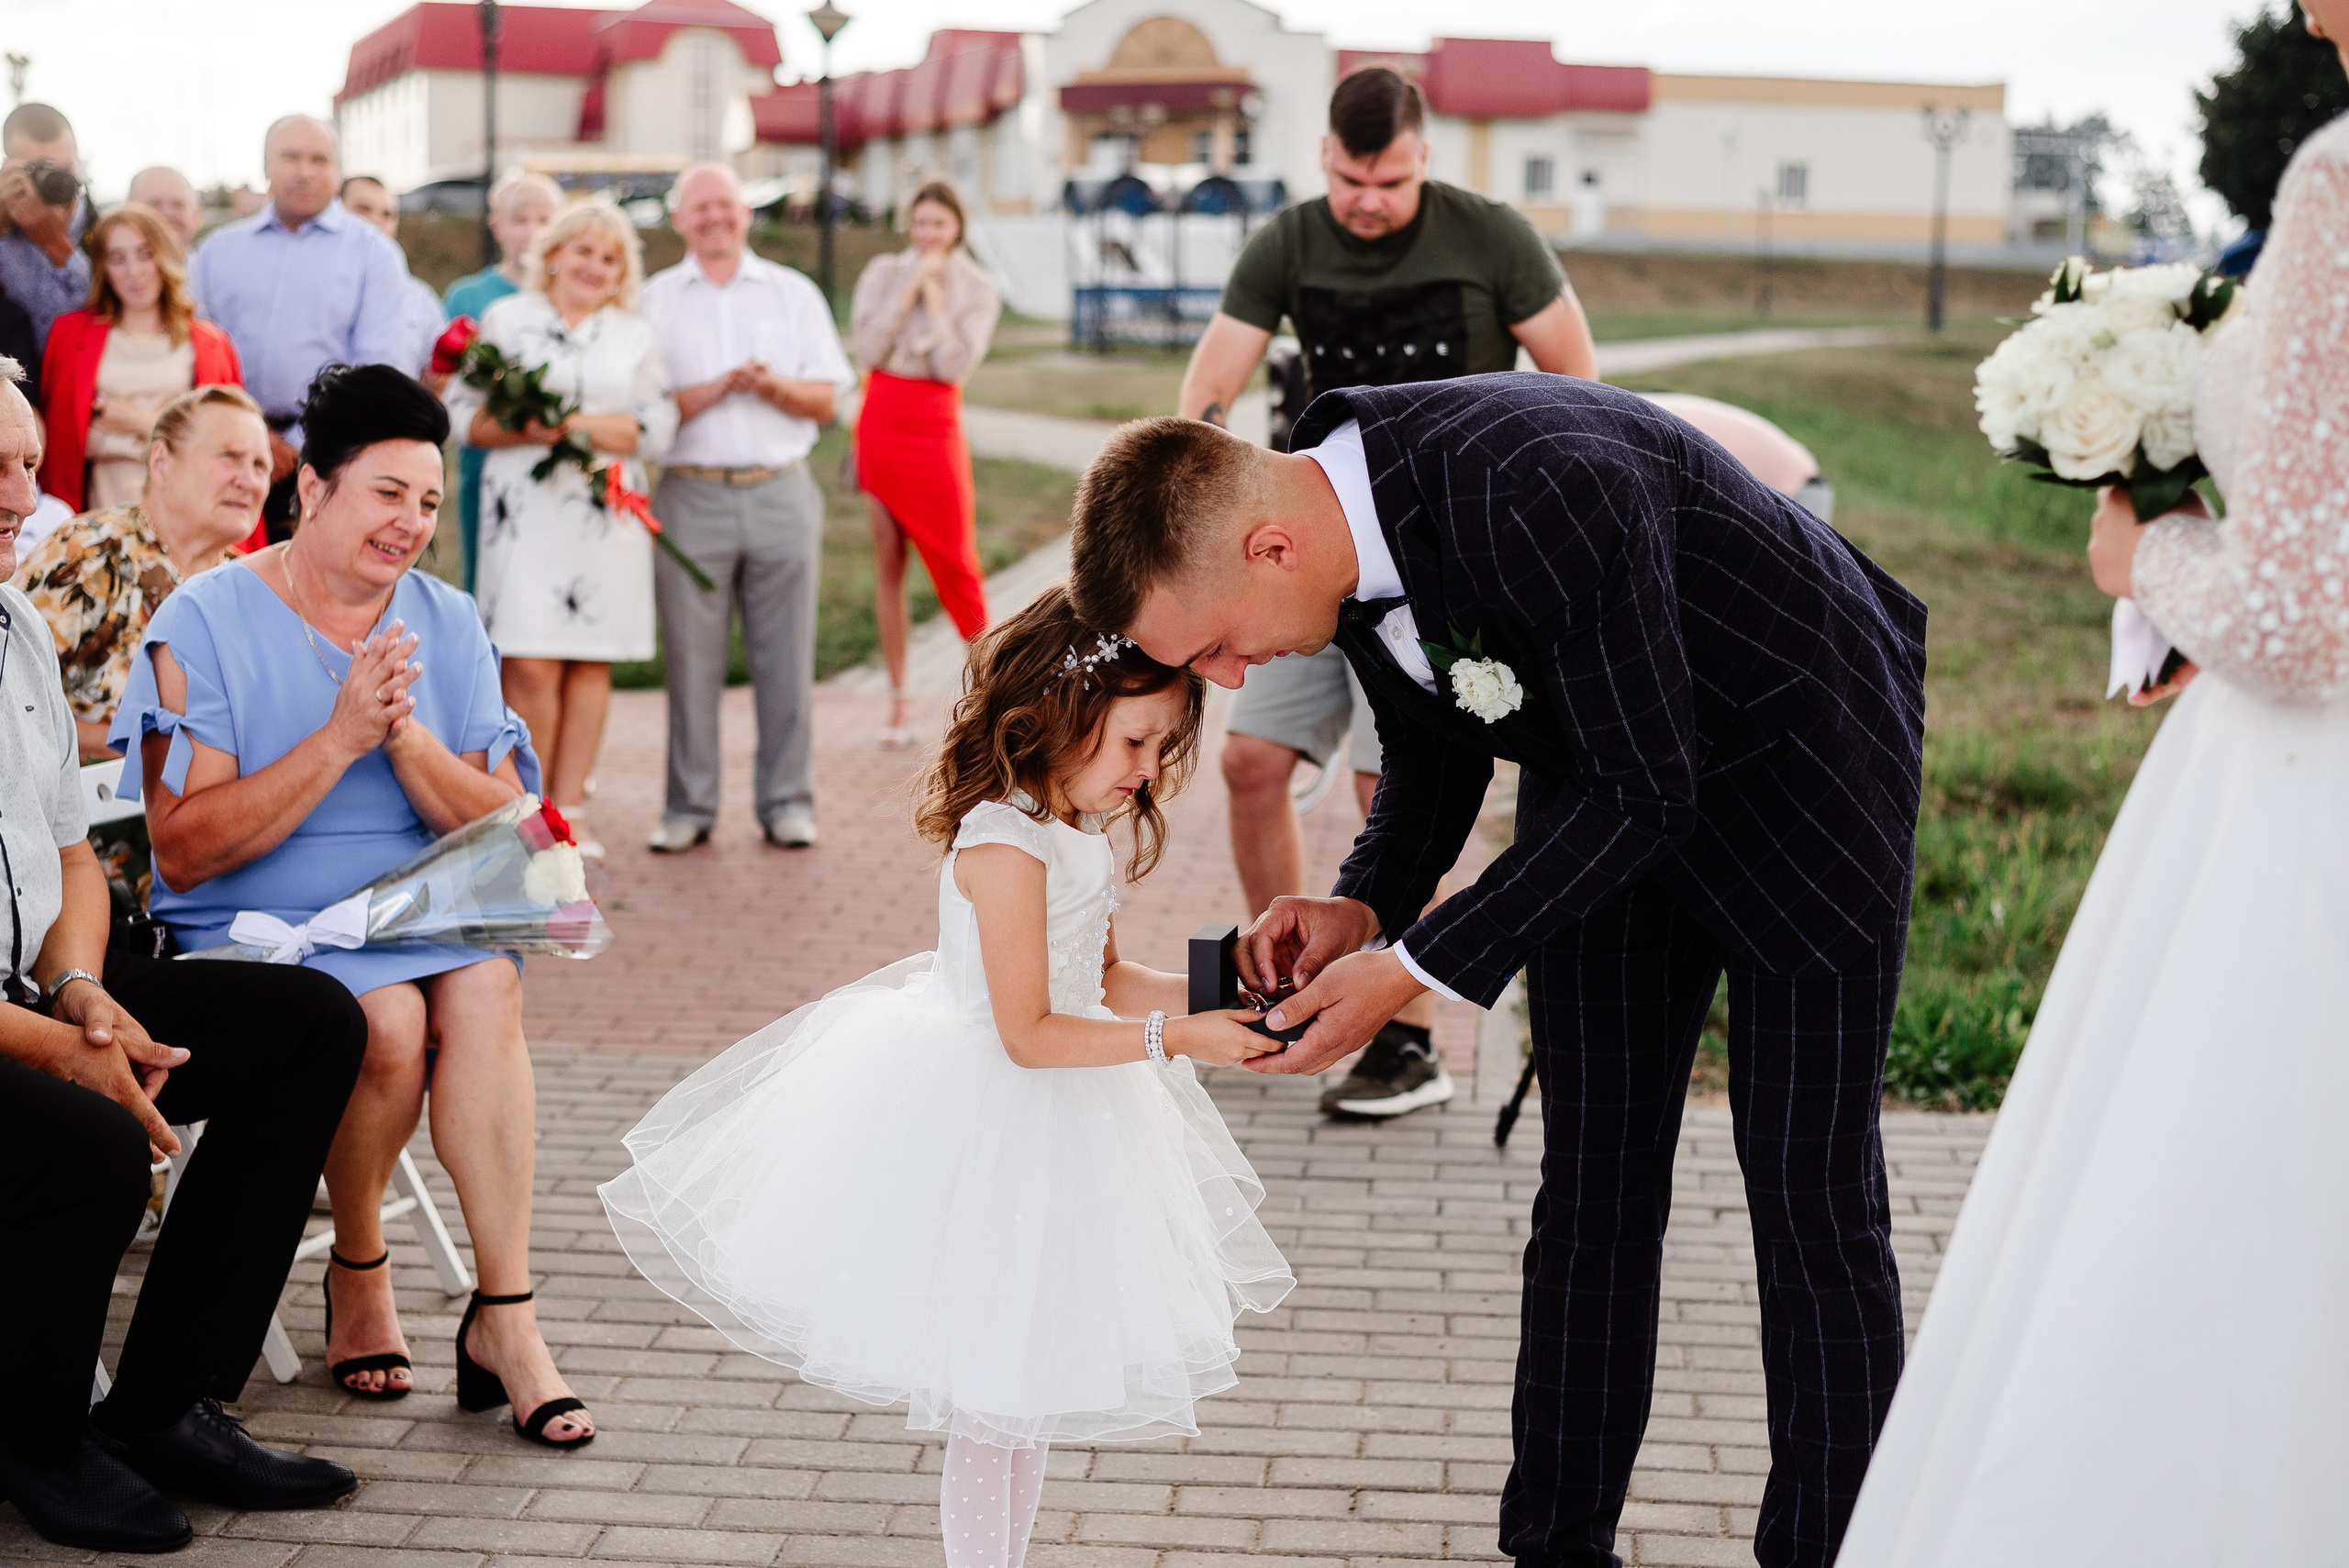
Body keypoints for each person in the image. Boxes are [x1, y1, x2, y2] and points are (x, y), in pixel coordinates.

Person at [1064, 380, 1928, 1568]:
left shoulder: (1537, 485)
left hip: (1806, 777)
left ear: (1269, 545)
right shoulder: (1331, 526)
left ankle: (1830, 1549)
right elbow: (1434, 743)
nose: (1223, 674)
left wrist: (1409, 971)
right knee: (1591, 1195)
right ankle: (1556, 1547)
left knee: (1812, 1207)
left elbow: (1653, 785)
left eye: (1213, 641)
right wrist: (1363, 902)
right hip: (1612, 793)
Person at [1837, 8, 2349, 1562]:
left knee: (2229, 1244)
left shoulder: (2339, 178)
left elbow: (2298, 621)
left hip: (2298, 805)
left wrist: (2150, 552)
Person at [601, 585, 1294, 1568]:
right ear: (1059, 714)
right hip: (994, 1116)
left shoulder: (1077, 829)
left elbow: (1096, 978)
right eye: (1135, 742)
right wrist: (1179, 1037)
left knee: (1029, 1392)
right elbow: (1027, 1029)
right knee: (994, 1398)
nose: (1147, 772)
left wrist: (1230, 977)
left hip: (1068, 1114)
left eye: (1160, 748)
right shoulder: (1005, 842)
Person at [110, 363, 596, 1448]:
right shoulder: (208, 617)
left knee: (479, 984)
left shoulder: (447, 619)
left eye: (427, 501)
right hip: (259, 921)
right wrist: (336, 738)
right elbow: (183, 854)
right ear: (312, 486)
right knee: (386, 1020)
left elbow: (508, 826)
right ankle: (360, 1262)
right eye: (387, 492)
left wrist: (407, 737)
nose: (411, 523)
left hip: (421, 906)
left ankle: (505, 1313)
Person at [1177, 66, 1600, 1121]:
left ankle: (1403, 1034)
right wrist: (1193, 474)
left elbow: (1577, 381)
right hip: (1308, 537)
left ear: (1423, 162)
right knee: (1246, 760)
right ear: (1324, 157)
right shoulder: (1288, 239)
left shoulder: (1491, 236)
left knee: (1391, 789)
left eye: (1392, 181)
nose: (1368, 199)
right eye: (1351, 177)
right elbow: (1214, 375)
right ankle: (1286, 986)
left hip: (1439, 569)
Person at [0, 353, 369, 1553]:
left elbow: (72, 841)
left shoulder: (10, 628)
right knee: (97, 1144)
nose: (21, 491)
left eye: (25, 462)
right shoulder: (87, 572)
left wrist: (86, 994)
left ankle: (165, 1403)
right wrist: (62, 1044)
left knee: (311, 1022)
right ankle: (40, 1438)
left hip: (47, 979)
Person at [447, 200, 674, 861]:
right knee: (530, 656)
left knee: (588, 658)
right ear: (553, 255)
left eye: (609, 258)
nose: (594, 267)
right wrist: (534, 427)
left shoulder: (634, 333)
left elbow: (655, 425)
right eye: (583, 252)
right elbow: (466, 418)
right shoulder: (508, 320)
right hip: (523, 514)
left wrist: (571, 425)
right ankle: (529, 806)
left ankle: (571, 807)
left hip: (606, 512)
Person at [639, 162, 853, 852]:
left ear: (746, 213)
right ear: (678, 221)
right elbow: (640, 409)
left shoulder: (792, 294)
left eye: (724, 205)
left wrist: (771, 388)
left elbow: (826, 398)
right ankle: (688, 806)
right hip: (690, 490)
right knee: (691, 661)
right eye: (698, 208)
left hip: (780, 488)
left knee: (786, 656)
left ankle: (788, 800)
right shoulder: (652, 300)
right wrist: (708, 391)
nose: (713, 218)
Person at [17, 384, 271, 761]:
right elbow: (12, 699)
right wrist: (155, 752)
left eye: (260, 466)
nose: (248, 481)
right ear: (161, 462)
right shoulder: (91, 552)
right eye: (229, 456)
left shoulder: (250, 587)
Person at [189, 116, 406, 542]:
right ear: (266, 165)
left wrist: (293, 442)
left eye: (319, 159)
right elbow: (196, 350)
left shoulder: (375, 255)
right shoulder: (218, 251)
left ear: (338, 170)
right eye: (290, 158)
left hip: (328, 459)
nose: (305, 171)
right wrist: (250, 437)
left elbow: (376, 371)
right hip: (221, 454)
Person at [849, 176, 1002, 749]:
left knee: (957, 558)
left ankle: (996, 687)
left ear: (957, 227)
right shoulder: (882, 273)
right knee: (887, 559)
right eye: (920, 224)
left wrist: (935, 304)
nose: (928, 234)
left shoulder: (979, 287)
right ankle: (897, 699)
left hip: (934, 422)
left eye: (938, 224)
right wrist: (907, 292)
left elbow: (954, 366)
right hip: (883, 417)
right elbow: (866, 350)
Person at [38, 203, 243, 512]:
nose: (133, 272)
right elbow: (57, 439)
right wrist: (170, 431)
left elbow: (227, 443)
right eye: (117, 259)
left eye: (145, 254)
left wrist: (140, 422)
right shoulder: (69, 335)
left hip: (187, 512)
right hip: (99, 512)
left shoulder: (211, 343)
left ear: (165, 258)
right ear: (102, 268)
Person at [442, 172, 562, 591]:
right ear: (498, 227)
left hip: (554, 450)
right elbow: (452, 382)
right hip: (487, 455)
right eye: (520, 220)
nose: (532, 232)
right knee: (490, 571)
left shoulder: (568, 296)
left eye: (544, 220)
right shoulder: (468, 296)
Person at [0, 103, 93, 357]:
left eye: (64, 170)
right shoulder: (3, 224)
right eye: (39, 169)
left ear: (79, 161)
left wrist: (57, 244)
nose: (54, 180)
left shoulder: (104, 226)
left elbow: (112, 312)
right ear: (10, 168)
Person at [339, 174, 448, 384]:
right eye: (363, 209)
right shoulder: (312, 284)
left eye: (388, 215)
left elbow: (437, 380)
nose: (377, 221)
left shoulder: (421, 300)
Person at [128, 166, 206, 254]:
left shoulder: (214, 266)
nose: (167, 213)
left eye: (177, 204)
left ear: (197, 216)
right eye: (154, 204)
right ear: (127, 215)